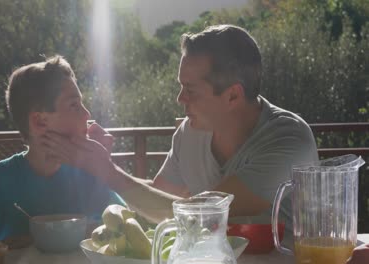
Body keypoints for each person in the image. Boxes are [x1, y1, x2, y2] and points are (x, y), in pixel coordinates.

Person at [42, 24, 319, 227]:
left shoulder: (288, 141)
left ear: (233, 95)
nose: (180, 99)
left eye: (191, 90)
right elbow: (159, 199)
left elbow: (198, 213)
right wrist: (98, 164)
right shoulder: (189, 134)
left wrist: (107, 171)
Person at [0, 55, 124, 264]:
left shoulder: (88, 173)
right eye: (74, 105)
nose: (86, 113)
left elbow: (134, 224)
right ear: (39, 121)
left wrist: (107, 169)